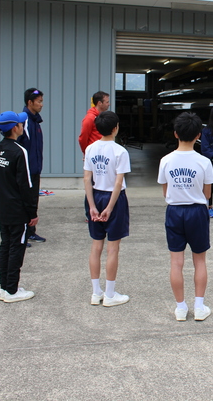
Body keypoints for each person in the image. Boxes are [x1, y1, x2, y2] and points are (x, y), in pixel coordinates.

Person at [157, 112, 213, 321]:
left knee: (176, 262)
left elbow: (165, 191)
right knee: (199, 261)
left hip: (174, 211)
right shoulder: (204, 162)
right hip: (197, 212)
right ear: (198, 135)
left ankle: (180, 308)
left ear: (175, 134)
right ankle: (199, 307)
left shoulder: (165, 160)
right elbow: (207, 194)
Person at [84, 111, 131, 307]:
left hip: (94, 195)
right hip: (114, 199)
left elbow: (87, 178)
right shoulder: (120, 151)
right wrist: (110, 208)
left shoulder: (90, 149)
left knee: (96, 247)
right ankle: (110, 294)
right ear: (115, 128)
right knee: (113, 248)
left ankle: (96, 293)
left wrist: (92, 207)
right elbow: (118, 183)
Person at [0, 111, 39, 303]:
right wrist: (32, 213)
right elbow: (26, 185)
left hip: (3, 208)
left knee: (5, 245)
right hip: (18, 210)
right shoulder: (20, 151)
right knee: (16, 248)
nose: (22, 126)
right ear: (14, 128)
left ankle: (4, 287)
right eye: (20, 124)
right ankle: (12, 290)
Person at [17, 88, 46, 244]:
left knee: (33, 201)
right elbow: (19, 144)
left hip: (35, 169)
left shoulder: (36, 120)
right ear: (30, 102)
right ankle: (22, 235)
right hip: (26, 170)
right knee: (25, 202)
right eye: (39, 101)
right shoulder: (24, 120)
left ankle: (31, 232)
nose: (41, 104)